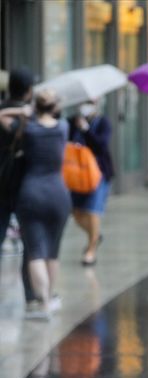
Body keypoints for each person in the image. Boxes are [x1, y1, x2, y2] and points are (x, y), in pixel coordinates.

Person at [0, 89, 70, 320]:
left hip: (31, 193)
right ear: (54, 106)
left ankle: (44, 304)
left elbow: (2, 117)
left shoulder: (28, 130)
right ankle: (51, 296)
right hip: (58, 194)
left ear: (35, 106)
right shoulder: (63, 129)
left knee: (35, 253)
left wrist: (21, 112)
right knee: (53, 252)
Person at [0, 67, 38, 309]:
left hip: (1, 185)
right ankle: (31, 295)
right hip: (24, 185)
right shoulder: (32, 116)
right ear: (28, 91)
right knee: (30, 243)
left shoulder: (5, 109)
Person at [68, 99, 114, 266]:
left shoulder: (103, 122)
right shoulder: (71, 121)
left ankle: (91, 249)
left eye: (90, 102)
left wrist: (86, 130)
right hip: (76, 173)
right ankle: (95, 235)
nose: (85, 105)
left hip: (98, 173)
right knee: (76, 212)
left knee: (93, 210)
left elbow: (101, 146)